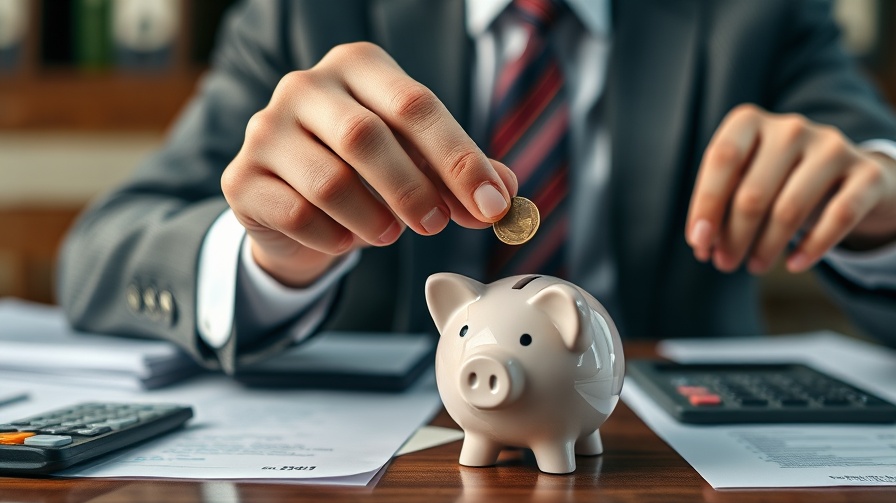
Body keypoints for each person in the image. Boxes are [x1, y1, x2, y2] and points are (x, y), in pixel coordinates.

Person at [57, 0, 896, 373]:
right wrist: (270, 251)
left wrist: (879, 209)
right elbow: (99, 252)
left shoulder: (762, 12)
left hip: (659, 456)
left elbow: (866, 150)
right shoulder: (302, 12)